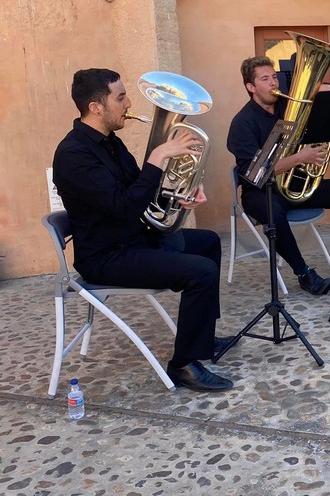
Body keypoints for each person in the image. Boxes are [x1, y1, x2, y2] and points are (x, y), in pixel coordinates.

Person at [52, 68, 234, 392]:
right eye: (120, 98)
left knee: (208, 243)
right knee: (202, 272)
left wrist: (182, 194)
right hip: (107, 256)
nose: (128, 104)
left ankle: (202, 338)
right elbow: (125, 206)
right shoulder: (73, 155)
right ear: (96, 107)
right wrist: (158, 157)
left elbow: (140, 190)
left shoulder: (111, 143)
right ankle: (183, 365)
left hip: (133, 239)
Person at [227, 56, 330, 295]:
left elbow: (321, 119)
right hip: (260, 191)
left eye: (274, 77)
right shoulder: (242, 123)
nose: (273, 83)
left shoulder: (289, 106)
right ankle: (304, 273)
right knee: (273, 212)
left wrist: (325, 94)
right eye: (265, 79)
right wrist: (300, 158)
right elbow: (254, 173)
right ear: (250, 87)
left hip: (295, 183)